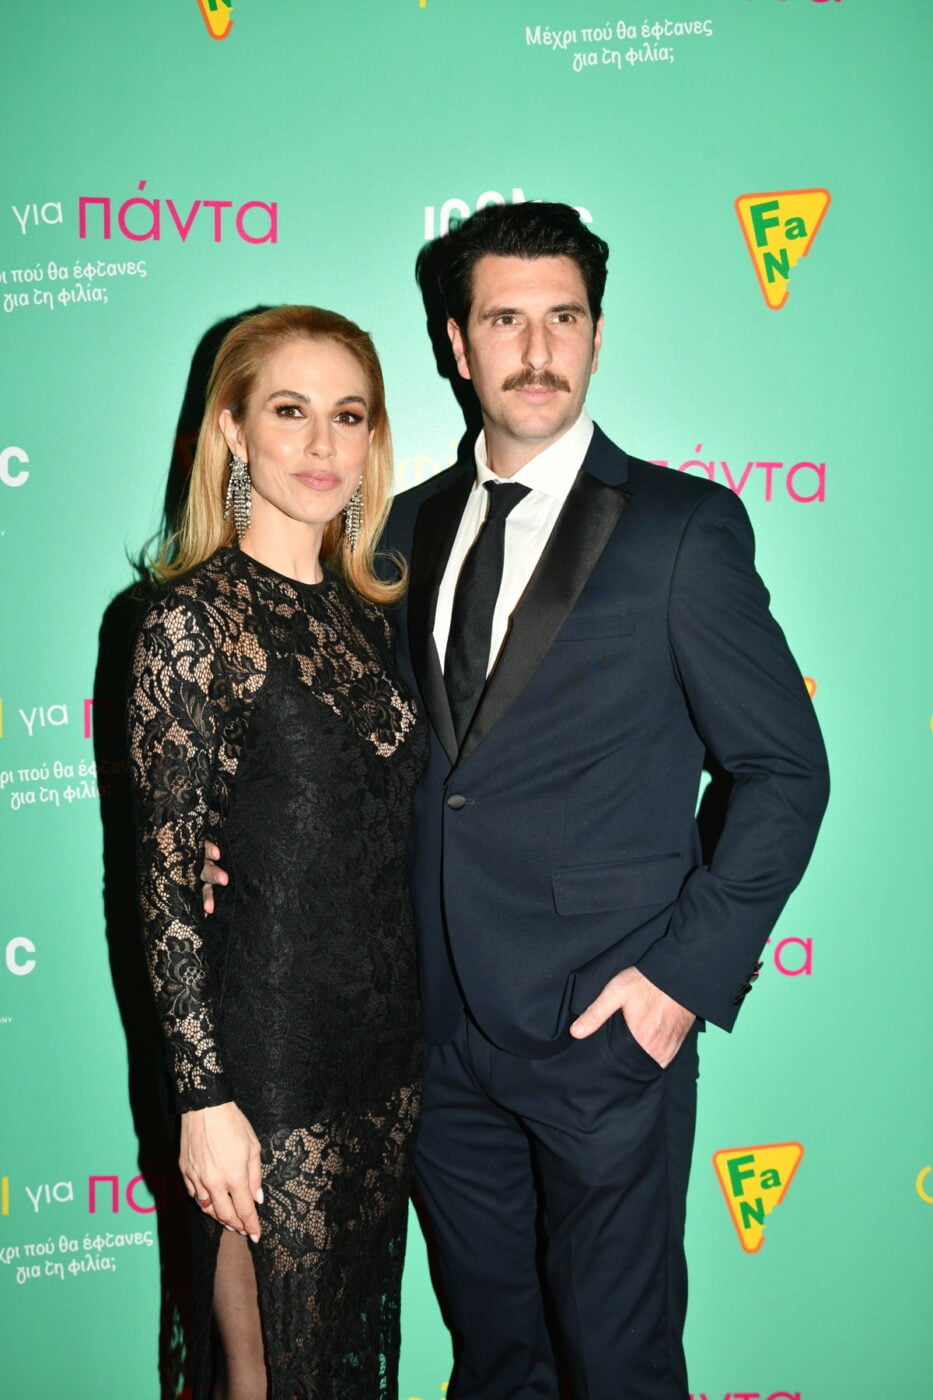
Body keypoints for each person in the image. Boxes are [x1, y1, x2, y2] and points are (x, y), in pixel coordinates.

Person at [204, 203, 829, 1399]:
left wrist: (679, 981)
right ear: (456, 343)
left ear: (596, 334)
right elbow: (354, 754)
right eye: (504, 321)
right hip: (433, 1034)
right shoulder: (395, 530)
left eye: (563, 318)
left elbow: (787, 770)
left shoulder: (681, 528)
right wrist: (235, 847)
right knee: (497, 1364)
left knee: (619, 1363)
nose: (537, 351)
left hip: (606, 1029)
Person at [128, 305, 426, 1400]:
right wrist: (203, 1100)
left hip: (386, 1054)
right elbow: (163, 885)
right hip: (263, 1062)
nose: (321, 444)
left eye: (348, 415)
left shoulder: (371, 614)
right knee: (266, 1378)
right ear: (233, 430)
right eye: (290, 411)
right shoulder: (191, 623)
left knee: (350, 1368)